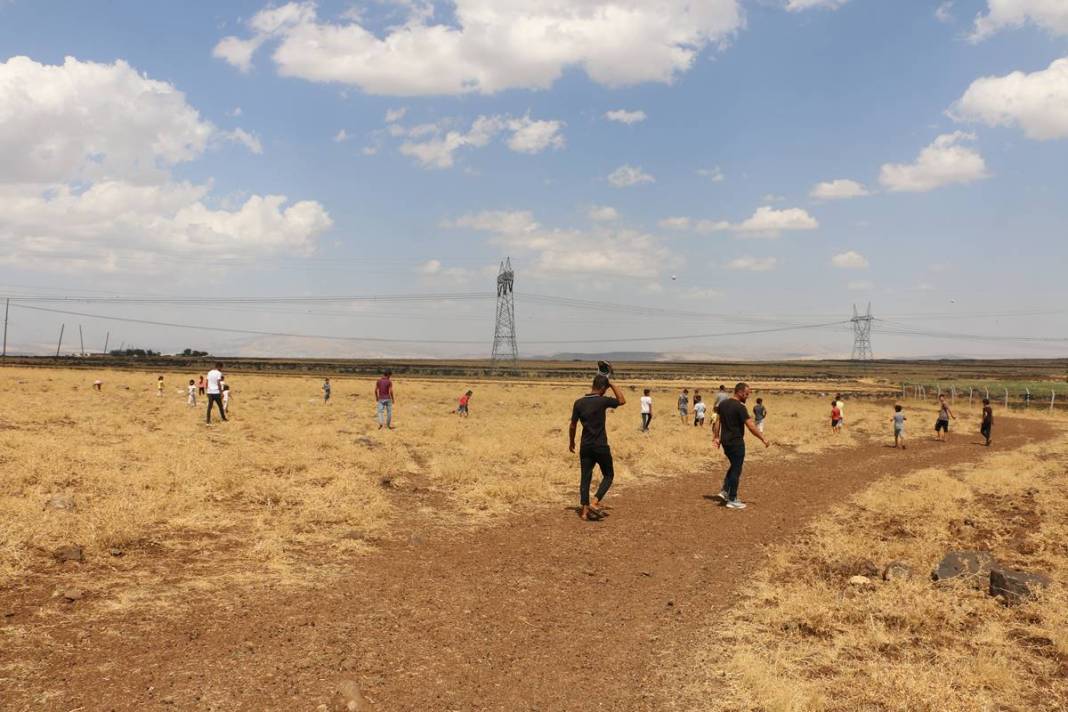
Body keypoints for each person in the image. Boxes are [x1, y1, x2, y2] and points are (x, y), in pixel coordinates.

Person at [569, 373, 626, 522]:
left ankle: (584, 511)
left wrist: (571, 442)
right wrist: (612, 383)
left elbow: (573, 425)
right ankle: (595, 502)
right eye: (605, 388)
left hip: (585, 446)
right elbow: (622, 400)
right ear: (602, 388)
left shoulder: (579, 402)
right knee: (608, 475)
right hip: (600, 445)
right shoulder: (602, 401)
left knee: (585, 477)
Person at [712, 382, 769, 510]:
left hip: (725, 441)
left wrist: (716, 437)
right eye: (747, 394)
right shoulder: (740, 407)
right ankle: (732, 499)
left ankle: (725, 490)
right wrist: (763, 438)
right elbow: (751, 426)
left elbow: (717, 422)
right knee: (737, 469)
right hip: (736, 442)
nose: (748, 396)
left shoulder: (723, 404)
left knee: (734, 465)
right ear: (740, 392)